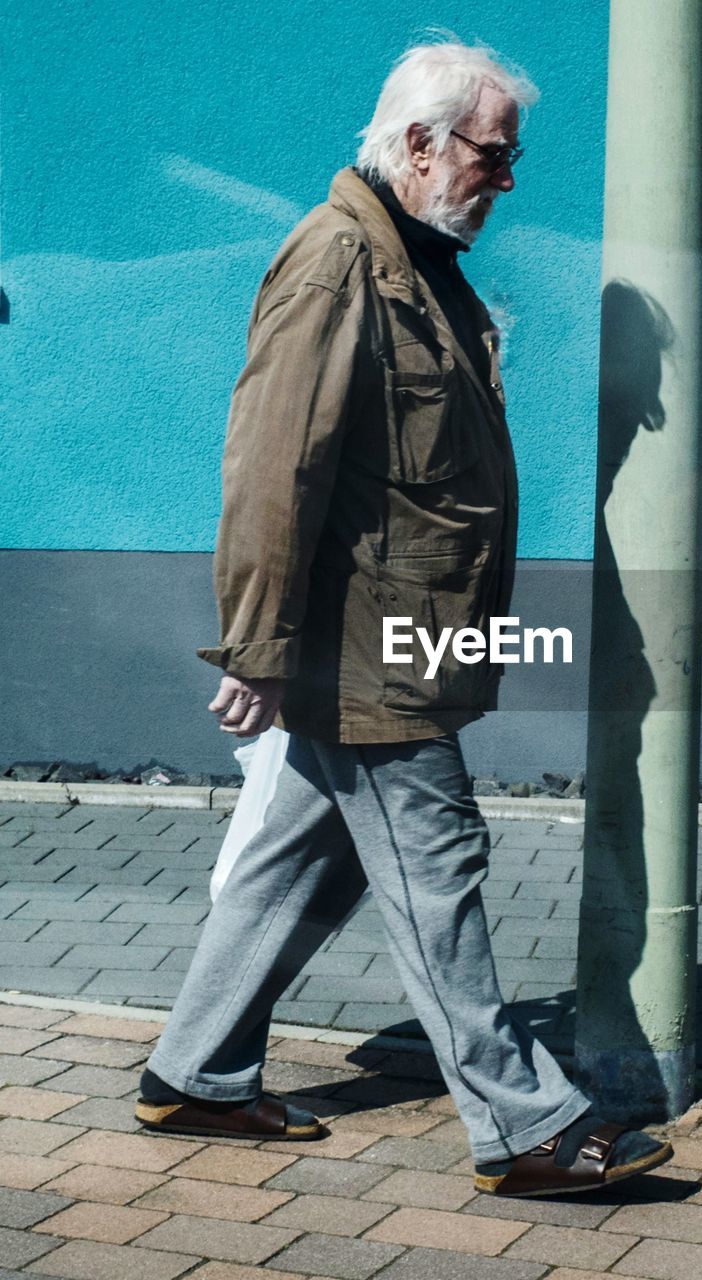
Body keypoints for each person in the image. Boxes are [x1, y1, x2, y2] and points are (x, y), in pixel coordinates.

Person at [135, 39, 672, 1198]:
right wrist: (261, 646)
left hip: (411, 629)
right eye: (494, 152)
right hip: (362, 642)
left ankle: (194, 1069)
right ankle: (524, 1123)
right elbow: (273, 468)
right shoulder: (336, 264)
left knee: (304, 863)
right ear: (420, 142)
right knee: (439, 872)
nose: (508, 178)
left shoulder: (420, 262)